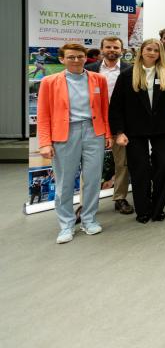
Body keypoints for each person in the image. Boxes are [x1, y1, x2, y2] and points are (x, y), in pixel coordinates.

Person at [37, 43, 112, 244]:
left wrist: (108, 134)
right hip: (65, 134)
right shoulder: (49, 82)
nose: (76, 60)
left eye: (80, 56)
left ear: (86, 58)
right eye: (71, 57)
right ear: (62, 59)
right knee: (65, 182)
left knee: (93, 179)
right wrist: (44, 142)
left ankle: (89, 219)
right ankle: (66, 224)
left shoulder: (98, 79)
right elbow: (43, 115)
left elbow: (104, 109)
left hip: (93, 132)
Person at [109, 39, 165, 224]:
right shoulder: (127, 75)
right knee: (140, 170)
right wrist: (119, 132)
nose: (152, 53)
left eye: (156, 50)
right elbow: (116, 106)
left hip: (162, 129)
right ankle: (143, 210)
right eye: (149, 49)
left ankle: (157, 208)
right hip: (135, 129)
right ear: (142, 51)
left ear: (160, 53)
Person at [85, 36, 133, 215]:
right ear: (102, 49)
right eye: (108, 47)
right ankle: (85, 203)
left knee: (122, 163)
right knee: (90, 165)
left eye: (116, 47)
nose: (112, 50)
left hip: (121, 123)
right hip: (94, 122)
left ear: (122, 50)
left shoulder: (130, 69)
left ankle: (119, 198)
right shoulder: (89, 70)